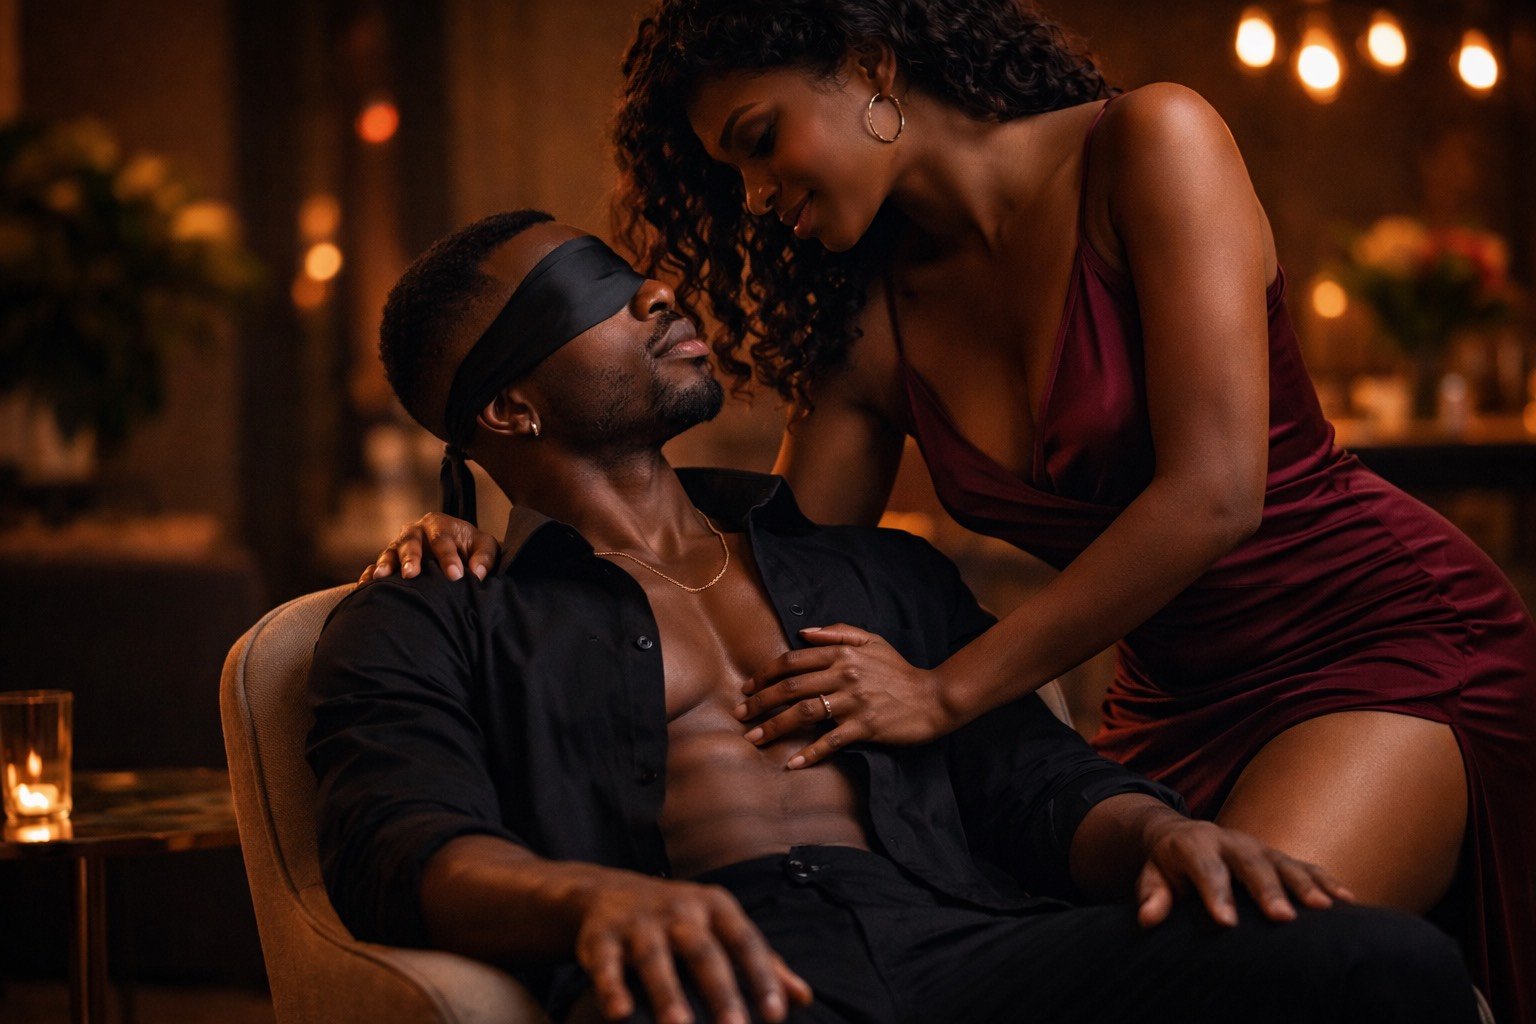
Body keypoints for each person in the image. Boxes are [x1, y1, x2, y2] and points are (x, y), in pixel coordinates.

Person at [366, 3, 1536, 1018]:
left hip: (1370, 634)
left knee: (1258, 969)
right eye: (733, 176)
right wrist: (493, 534)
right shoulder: (875, 322)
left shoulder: (1153, 141)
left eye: (761, 143)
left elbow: (1216, 495)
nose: (758, 198)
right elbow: (775, 558)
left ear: (873, 64)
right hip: (1166, 694)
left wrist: (943, 690)